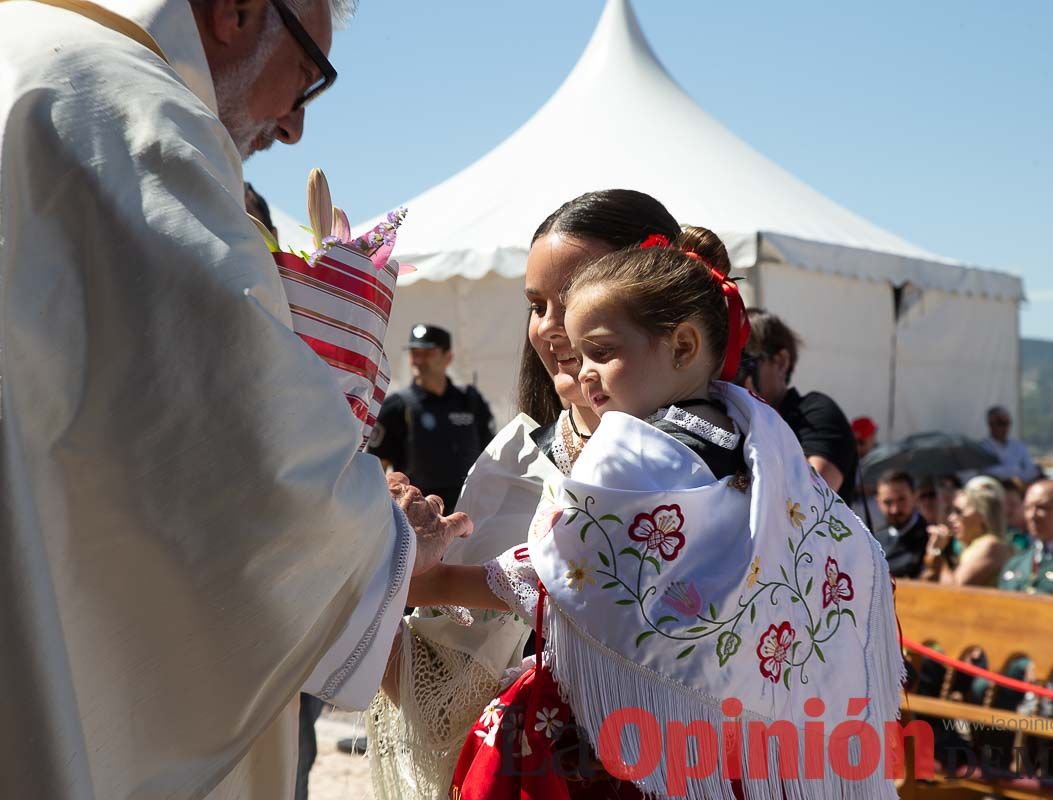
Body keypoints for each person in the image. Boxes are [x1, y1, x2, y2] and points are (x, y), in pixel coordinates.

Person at [0, 3, 471, 798]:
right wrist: (379, 544)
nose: (292, 126)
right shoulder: (124, 107)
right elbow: (237, 446)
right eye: (307, 79)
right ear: (239, 11)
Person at [404, 228, 902, 798]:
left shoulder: (632, 448)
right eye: (577, 349)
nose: (584, 372)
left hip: (635, 746)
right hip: (752, 739)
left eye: (603, 351)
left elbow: (559, 569)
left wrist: (434, 578)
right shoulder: (757, 431)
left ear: (683, 346)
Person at [366, 190, 691, 797]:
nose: (549, 328)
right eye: (537, 305)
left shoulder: (735, 450)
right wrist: (378, 561)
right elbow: (443, 701)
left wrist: (418, 577)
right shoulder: (518, 459)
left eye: (572, 301)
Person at [369, 324, 495, 512]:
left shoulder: (470, 401)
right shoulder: (397, 406)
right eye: (414, 353)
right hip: (420, 518)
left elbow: (492, 456)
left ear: (448, 357)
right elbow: (375, 470)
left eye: (427, 353)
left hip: (471, 513)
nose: (418, 360)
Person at [740, 309, 859, 500]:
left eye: (744, 361)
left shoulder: (816, 412)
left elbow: (811, 497)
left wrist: (755, 412)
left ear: (780, 362)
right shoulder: (729, 417)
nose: (734, 374)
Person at [920, 476, 1012, 586]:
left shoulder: (990, 545)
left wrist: (937, 554)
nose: (951, 518)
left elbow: (956, 590)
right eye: (951, 511)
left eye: (959, 512)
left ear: (982, 515)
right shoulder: (970, 547)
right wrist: (933, 555)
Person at [873, 470, 931, 578]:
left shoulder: (930, 537)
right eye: (888, 502)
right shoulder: (874, 540)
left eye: (901, 500)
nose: (895, 509)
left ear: (915, 497)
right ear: (878, 502)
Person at [980, 405, 1040, 483]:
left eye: (1007, 423)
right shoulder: (982, 448)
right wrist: (1018, 471)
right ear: (990, 424)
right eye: (1000, 423)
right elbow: (989, 471)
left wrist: (1013, 475)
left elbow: (1031, 469)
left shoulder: (1018, 445)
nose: (1005, 427)